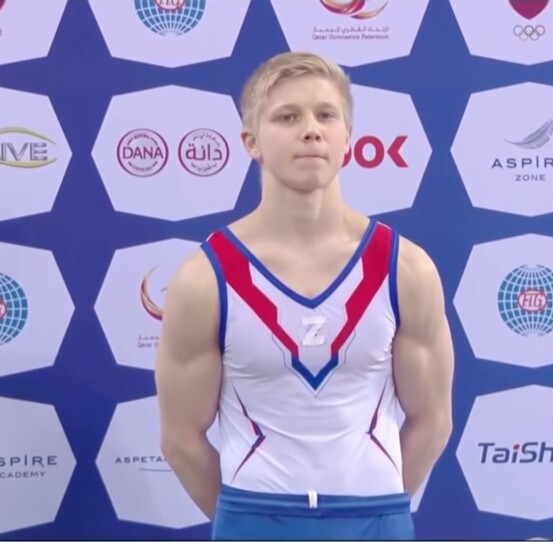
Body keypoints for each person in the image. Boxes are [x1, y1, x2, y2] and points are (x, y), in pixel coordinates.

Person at [154, 51, 454, 541]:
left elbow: (432, 422)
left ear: (348, 139)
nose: (311, 130)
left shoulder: (405, 269)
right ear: (251, 141)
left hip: (376, 518)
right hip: (253, 518)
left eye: (326, 115)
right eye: (288, 117)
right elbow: (181, 441)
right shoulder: (205, 279)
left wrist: (377, 508)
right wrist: (248, 521)